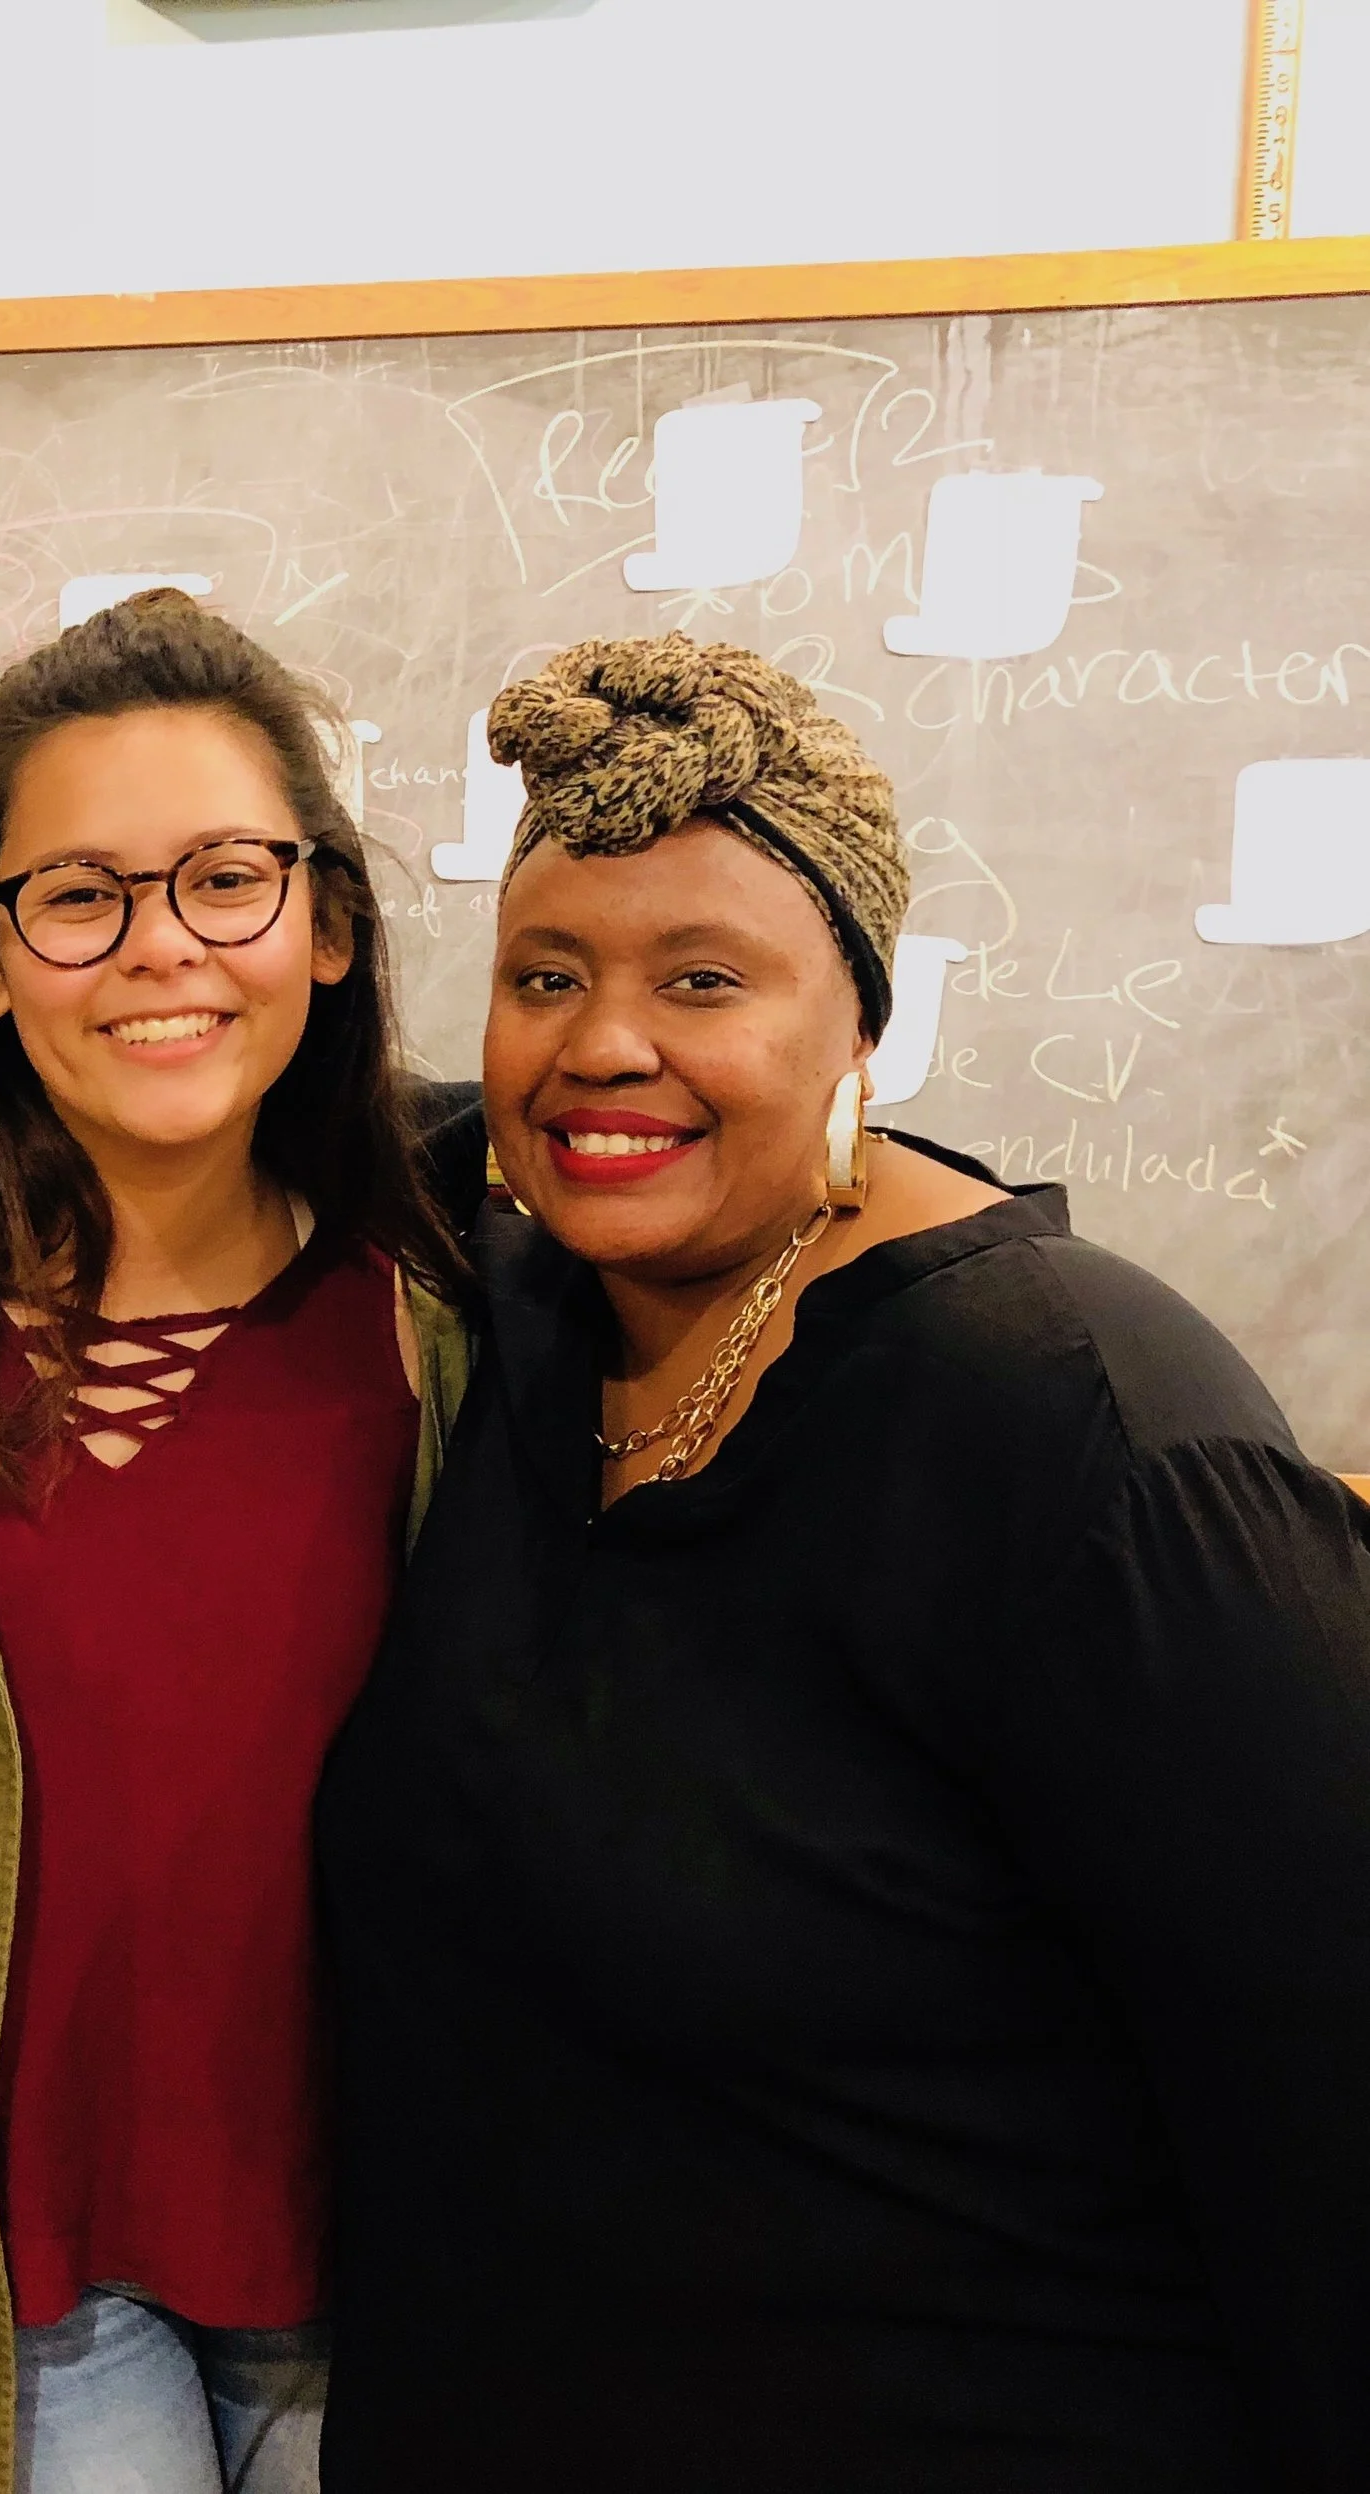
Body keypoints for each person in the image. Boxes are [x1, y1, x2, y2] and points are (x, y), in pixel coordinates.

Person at [315, 631, 1370, 2493]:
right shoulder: (532, 1301)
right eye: (541, 975)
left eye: (704, 979)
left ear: (861, 1023)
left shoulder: (1097, 1442)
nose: (602, 1043)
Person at [0, 590, 470, 2494]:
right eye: (78, 895)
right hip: (1, 2275)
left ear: (326, 921)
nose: (161, 952)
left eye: (227, 877)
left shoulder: (454, 1315)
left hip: (380, 2235)